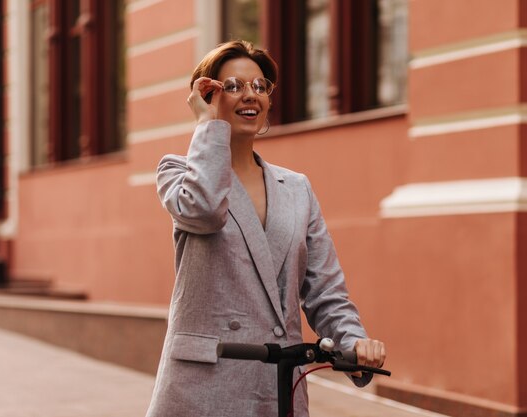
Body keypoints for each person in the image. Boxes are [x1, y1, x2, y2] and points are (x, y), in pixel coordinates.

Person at [145, 40, 386, 417]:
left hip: (277, 381)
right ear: (207, 95)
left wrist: (353, 341)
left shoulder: (297, 188)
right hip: (205, 385)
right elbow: (205, 210)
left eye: (260, 87)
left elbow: (324, 288)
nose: (250, 95)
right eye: (233, 86)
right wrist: (207, 127)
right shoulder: (177, 172)